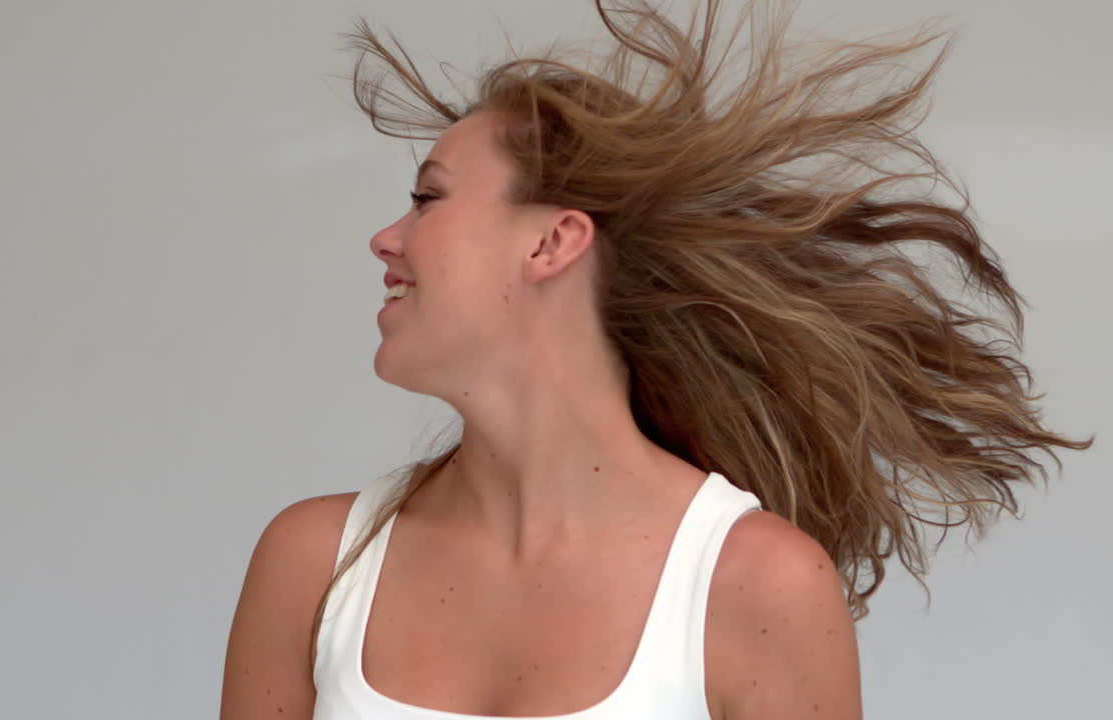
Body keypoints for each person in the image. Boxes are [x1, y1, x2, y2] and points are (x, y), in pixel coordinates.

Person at [220, 1, 1094, 718]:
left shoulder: (758, 586)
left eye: (427, 199)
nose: (387, 237)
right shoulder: (315, 564)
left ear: (554, 242)